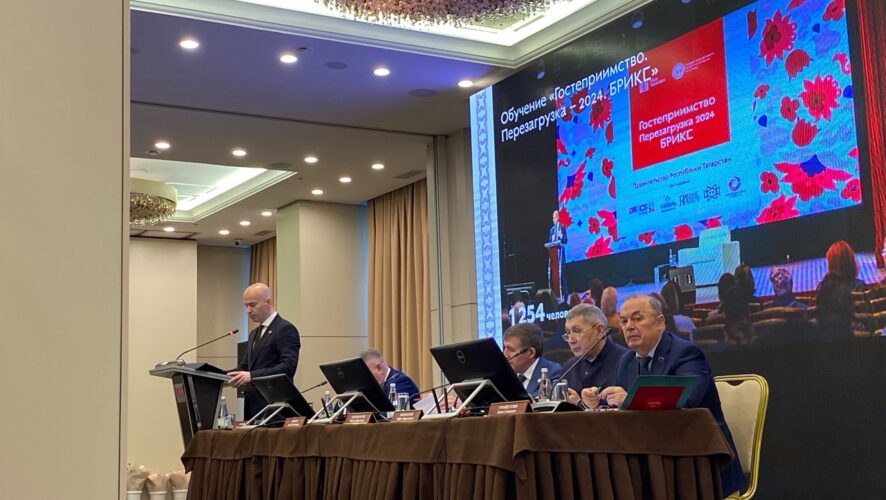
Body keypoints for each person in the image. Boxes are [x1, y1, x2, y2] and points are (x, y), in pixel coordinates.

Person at [587, 295, 747, 496]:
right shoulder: (626, 361)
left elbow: (686, 401)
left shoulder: (686, 353)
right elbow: (622, 412)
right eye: (624, 321)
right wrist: (597, 399)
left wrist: (629, 399)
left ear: (659, 322)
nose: (629, 327)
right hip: (649, 460)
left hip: (698, 462)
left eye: (637, 318)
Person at [228, 283, 301, 419]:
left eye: (252, 305)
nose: (248, 310)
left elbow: (288, 367)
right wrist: (217, 376)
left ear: (268, 302)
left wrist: (252, 376)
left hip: (274, 409)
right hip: (252, 409)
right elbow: (245, 367)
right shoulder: (253, 333)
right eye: (246, 306)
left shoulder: (285, 329)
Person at [561, 304, 629, 406]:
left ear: (599, 331)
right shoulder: (569, 368)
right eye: (568, 333)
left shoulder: (626, 362)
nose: (571, 340)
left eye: (577, 331)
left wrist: (580, 405)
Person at [503, 322, 562, 398]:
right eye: (504, 348)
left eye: (511, 350)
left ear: (531, 353)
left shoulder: (552, 373)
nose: (505, 355)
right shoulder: (506, 377)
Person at [548, 209, 568, 297]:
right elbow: (549, 242)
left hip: (560, 256)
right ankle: (556, 295)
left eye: (555, 217)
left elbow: (565, 240)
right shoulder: (551, 230)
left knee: (562, 276)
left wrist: (561, 236)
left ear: (558, 217)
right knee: (554, 277)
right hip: (554, 257)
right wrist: (552, 239)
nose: (554, 220)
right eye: (553, 218)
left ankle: (566, 295)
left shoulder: (562, 227)